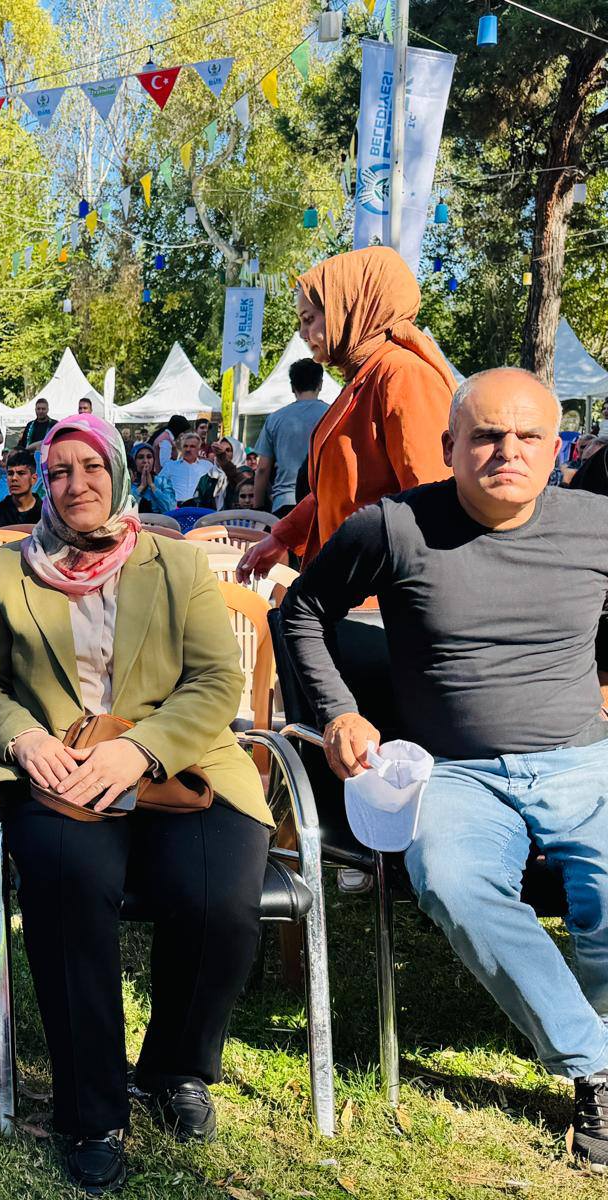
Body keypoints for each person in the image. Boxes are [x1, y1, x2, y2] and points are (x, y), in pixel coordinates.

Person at [282, 368, 608, 1166]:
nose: (508, 451)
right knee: (455, 887)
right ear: (449, 447)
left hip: (582, 758)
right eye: (487, 435)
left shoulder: (599, 526)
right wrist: (339, 710)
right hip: (455, 773)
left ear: (557, 446)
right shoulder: (391, 527)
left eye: (529, 436)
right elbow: (300, 611)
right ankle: (595, 1068)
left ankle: (596, 1035)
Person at [0, 413, 271, 1192]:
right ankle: (91, 1107)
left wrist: (139, 746)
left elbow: (215, 681)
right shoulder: (9, 570)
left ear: (121, 472)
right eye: (59, 472)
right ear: (42, 485)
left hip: (178, 761)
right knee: (67, 886)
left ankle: (174, 1068)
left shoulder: (176, 561)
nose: (75, 484)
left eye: (89, 467)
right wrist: (26, 742)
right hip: (59, 770)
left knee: (219, 902)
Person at [238, 246, 455, 581]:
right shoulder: (367, 376)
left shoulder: (401, 374)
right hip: (351, 593)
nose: (302, 333)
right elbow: (337, 494)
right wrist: (282, 537)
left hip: (381, 606)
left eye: (309, 319)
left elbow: (432, 500)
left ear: (348, 309)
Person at [253, 358, 328, 516]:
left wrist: (258, 507)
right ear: (320, 384)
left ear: (292, 386)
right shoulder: (332, 415)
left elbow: (262, 468)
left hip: (285, 503)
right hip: (322, 501)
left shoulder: (275, 419)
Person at [0, 450, 45, 529]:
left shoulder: (47, 514)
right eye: (10, 474)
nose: (14, 478)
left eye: (21, 473)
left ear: (33, 479)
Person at [158, 432, 221, 508]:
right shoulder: (170, 466)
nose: (188, 449)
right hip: (175, 508)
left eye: (192, 446)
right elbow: (158, 485)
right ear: (182, 448)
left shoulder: (207, 466)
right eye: (185, 446)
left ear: (199, 448)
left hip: (200, 509)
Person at [129, 442, 175, 514]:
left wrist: (153, 486)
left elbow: (171, 509)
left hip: (160, 523)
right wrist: (141, 487)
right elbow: (125, 509)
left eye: (149, 457)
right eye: (140, 457)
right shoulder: (128, 483)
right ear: (134, 461)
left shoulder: (163, 482)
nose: (145, 461)